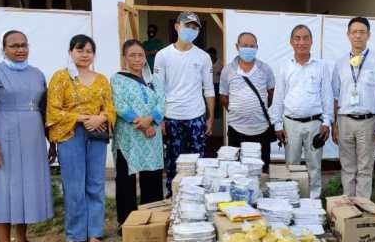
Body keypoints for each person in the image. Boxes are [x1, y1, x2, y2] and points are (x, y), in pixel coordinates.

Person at [0, 30, 54, 242]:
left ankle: (22, 239)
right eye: (14, 46)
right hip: (4, 137)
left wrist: (50, 140)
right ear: (4, 49)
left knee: (27, 188)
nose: (20, 50)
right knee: (5, 189)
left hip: (33, 137)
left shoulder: (37, 74)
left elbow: (44, 110)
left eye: (23, 45)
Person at [46, 34, 116, 242]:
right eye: (80, 50)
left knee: (95, 183)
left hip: (96, 133)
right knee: (74, 185)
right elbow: (53, 109)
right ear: (70, 52)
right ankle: (73, 235)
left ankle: (95, 232)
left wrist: (101, 118)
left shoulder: (102, 79)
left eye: (89, 51)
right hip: (70, 133)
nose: (85, 55)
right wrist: (80, 118)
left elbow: (110, 107)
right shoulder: (61, 77)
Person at [153, 12, 215, 195]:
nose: (191, 30)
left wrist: (210, 118)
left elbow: (209, 89)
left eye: (195, 27)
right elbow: (158, 90)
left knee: (197, 164)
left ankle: (195, 200)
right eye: (187, 26)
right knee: (173, 164)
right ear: (177, 27)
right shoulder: (163, 55)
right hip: (171, 118)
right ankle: (173, 200)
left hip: (196, 118)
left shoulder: (203, 57)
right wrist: (160, 119)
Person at [270, 24, 334, 199]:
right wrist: (277, 123)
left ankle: (313, 200)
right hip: (291, 123)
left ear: (312, 41)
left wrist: (327, 121)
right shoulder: (285, 67)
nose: (302, 42)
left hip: (315, 123)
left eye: (306, 38)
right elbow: (278, 96)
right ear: (291, 42)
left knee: (314, 165)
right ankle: (293, 198)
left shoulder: (321, 66)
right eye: (297, 38)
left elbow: (327, 95)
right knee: (292, 164)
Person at [110, 40, 166, 229]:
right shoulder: (117, 79)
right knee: (126, 180)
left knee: (152, 177)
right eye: (132, 55)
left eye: (140, 55)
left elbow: (162, 103)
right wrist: (142, 124)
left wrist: (150, 119)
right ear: (124, 58)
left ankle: (152, 219)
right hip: (129, 137)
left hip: (152, 135)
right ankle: (127, 223)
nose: (137, 59)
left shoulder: (154, 80)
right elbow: (119, 105)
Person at [331, 17, 375, 199]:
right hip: (344, 120)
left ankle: (362, 206)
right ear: (348, 35)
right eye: (354, 32)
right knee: (347, 167)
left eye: (362, 32)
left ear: (368, 35)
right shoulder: (339, 63)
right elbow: (335, 96)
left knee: (365, 167)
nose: (358, 36)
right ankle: (348, 207)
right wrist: (334, 125)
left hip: (368, 121)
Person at [219, 32, 275, 171]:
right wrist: (237, 110)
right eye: (245, 45)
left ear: (257, 47)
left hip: (261, 129)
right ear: (237, 46)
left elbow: (272, 94)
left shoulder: (265, 69)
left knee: (262, 170)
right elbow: (223, 97)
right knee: (237, 170)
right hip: (236, 130)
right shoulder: (228, 70)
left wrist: (256, 109)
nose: (248, 48)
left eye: (252, 46)